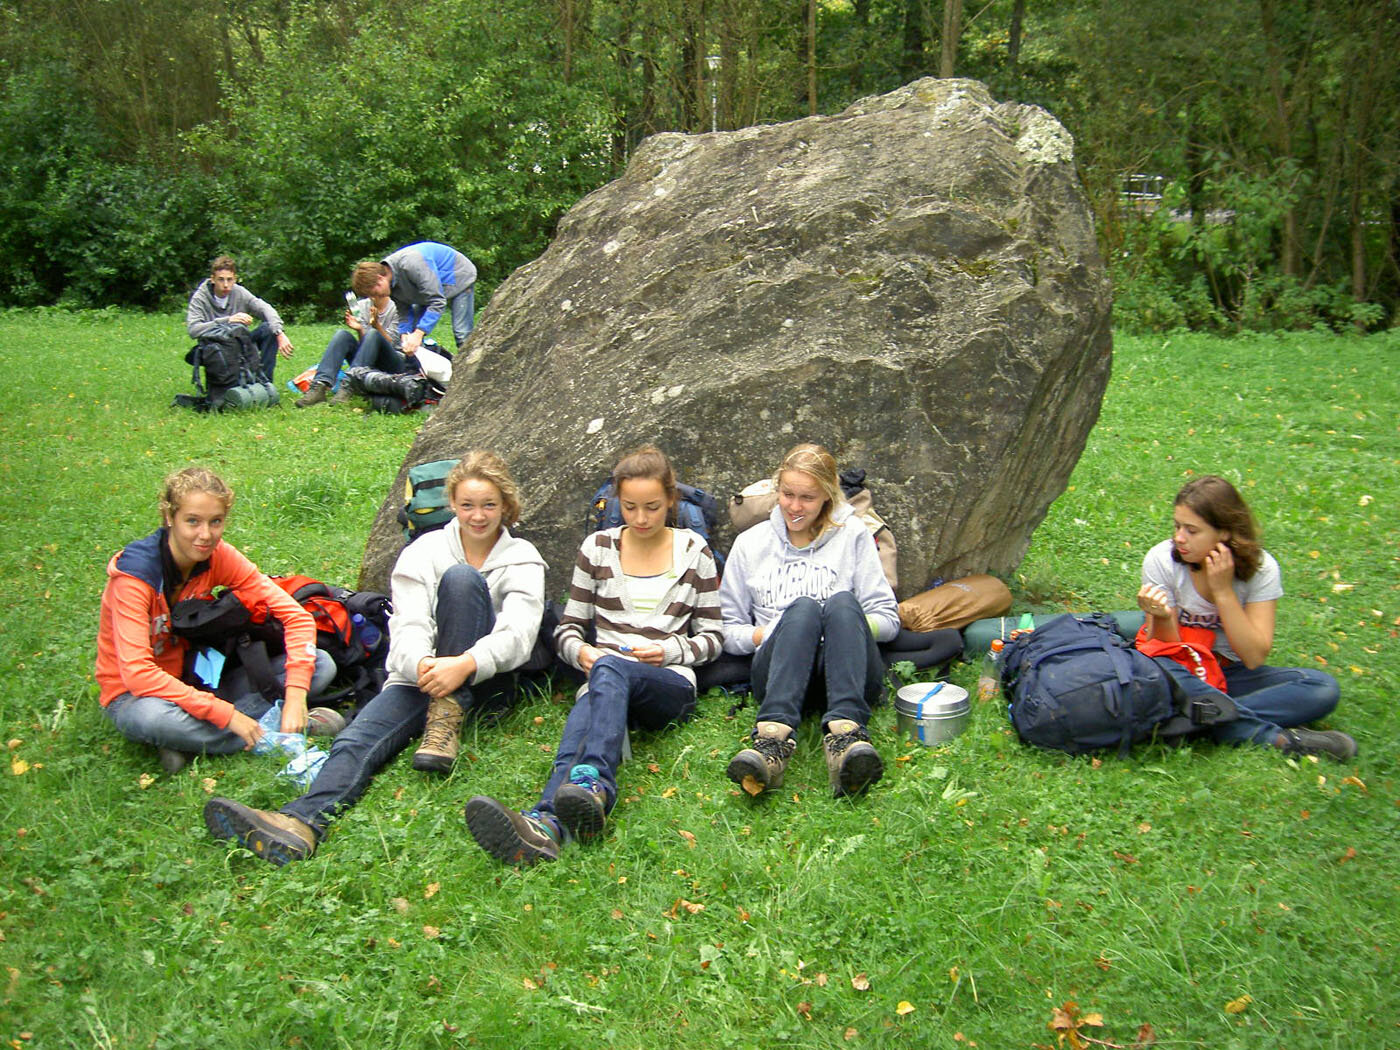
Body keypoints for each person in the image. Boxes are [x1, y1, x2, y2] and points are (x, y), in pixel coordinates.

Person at [204, 451, 547, 866]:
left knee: (461, 581)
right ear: (452, 504)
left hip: (484, 682)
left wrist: (465, 664)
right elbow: (408, 624)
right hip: (422, 676)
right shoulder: (424, 551)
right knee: (358, 737)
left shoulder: (523, 558)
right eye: (468, 504)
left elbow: (519, 635)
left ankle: (448, 713)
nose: (478, 516)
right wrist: (422, 665)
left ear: (506, 505)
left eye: (489, 505)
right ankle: (300, 823)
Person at [464, 445, 722, 866]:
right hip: (604, 678)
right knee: (597, 690)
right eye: (630, 507)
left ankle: (598, 783)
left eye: (652, 507)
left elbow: (713, 637)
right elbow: (567, 629)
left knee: (609, 669)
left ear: (671, 501)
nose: (641, 519)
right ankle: (546, 825)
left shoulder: (695, 551)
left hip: (668, 685)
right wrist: (581, 651)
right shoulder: (597, 548)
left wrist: (667, 650)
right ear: (617, 501)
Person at [96, 468, 337, 774]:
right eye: (192, 521)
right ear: (170, 517)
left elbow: (296, 617)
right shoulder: (134, 578)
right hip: (137, 696)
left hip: (196, 679)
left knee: (321, 664)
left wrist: (296, 696)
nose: (205, 535)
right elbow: (138, 675)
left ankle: (189, 740)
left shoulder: (218, 556)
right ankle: (271, 733)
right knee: (152, 718)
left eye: (216, 522)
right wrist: (226, 714)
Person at [720, 443, 900, 798]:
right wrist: (773, 632)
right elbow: (727, 630)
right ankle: (771, 742)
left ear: (828, 497)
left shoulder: (853, 535)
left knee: (841, 603)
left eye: (807, 498)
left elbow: (888, 619)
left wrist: (843, 626)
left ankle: (847, 738)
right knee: (802, 609)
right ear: (777, 491)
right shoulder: (749, 544)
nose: (795, 507)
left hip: (846, 671)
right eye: (788, 494)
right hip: (779, 673)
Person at [1137, 475, 1355, 761]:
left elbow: (1253, 657)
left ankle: (1193, 719)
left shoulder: (1262, 570)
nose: (1179, 537)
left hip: (1232, 673)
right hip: (1181, 672)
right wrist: (1163, 617)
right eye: (1177, 526)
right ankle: (1264, 734)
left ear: (1224, 532)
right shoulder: (1162, 560)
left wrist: (1223, 592)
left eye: (1192, 530)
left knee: (1322, 688)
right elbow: (1168, 653)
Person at [350, 241, 477, 354]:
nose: (376, 298)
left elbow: (437, 301)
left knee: (462, 334)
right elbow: (403, 311)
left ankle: (471, 368)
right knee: (411, 333)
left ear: (380, 279)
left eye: (375, 293)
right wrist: (404, 334)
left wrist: (419, 333)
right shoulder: (389, 283)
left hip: (458, 275)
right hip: (425, 288)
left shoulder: (411, 264)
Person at [186, 255, 295, 382]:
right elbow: (193, 330)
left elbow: (265, 308)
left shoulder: (239, 292)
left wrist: (279, 332)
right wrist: (228, 320)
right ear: (213, 279)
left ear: (235, 279)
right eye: (221, 280)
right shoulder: (200, 297)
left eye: (229, 280)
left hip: (239, 342)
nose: (226, 285)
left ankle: (264, 382)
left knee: (268, 329)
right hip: (214, 347)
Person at [295, 291, 403, 408]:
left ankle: (348, 386)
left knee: (373, 333)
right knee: (342, 335)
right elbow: (365, 344)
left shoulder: (398, 307)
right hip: (367, 363)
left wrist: (376, 325)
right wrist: (359, 329)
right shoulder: (362, 306)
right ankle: (319, 386)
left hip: (393, 364)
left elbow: (392, 344)